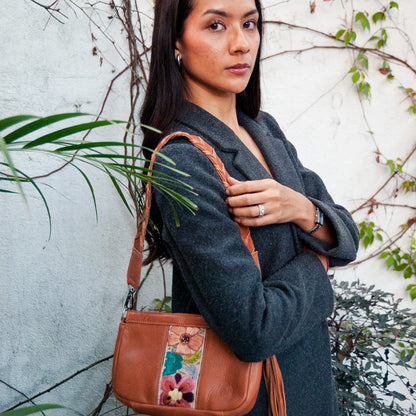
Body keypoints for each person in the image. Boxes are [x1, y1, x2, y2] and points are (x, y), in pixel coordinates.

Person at [140, 0, 359, 415]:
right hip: (248, 399)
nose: (242, 44)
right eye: (217, 25)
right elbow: (254, 328)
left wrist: (300, 209)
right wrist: (319, 262)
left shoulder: (263, 129)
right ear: (175, 43)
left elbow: (347, 237)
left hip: (305, 388)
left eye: (251, 23)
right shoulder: (184, 158)